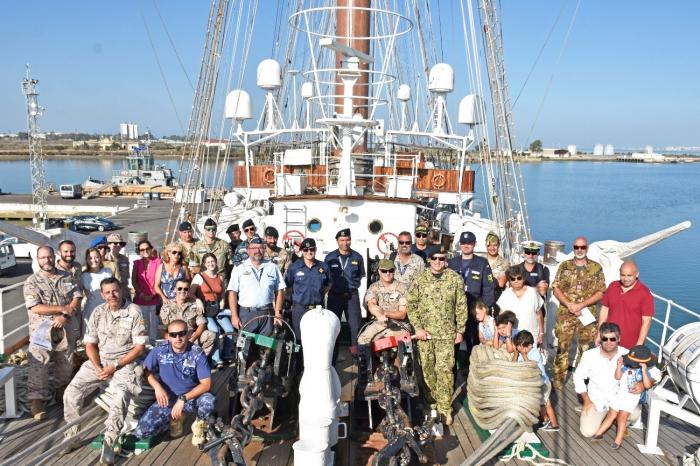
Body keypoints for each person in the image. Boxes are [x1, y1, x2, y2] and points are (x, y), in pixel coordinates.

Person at [62, 277, 147, 463]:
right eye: (107, 292)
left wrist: (114, 367)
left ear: (121, 290)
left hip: (125, 363)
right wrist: (98, 366)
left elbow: (139, 348)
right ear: (102, 295)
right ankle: (72, 434)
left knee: (121, 396)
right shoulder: (98, 312)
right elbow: (90, 344)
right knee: (71, 392)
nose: (112, 295)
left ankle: (110, 441)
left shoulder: (134, 312)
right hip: (100, 361)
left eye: (115, 291)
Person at [407, 246, 467, 427]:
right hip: (425, 335)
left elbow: (461, 306)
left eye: (441, 259)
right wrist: (418, 328)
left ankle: (445, 408)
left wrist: (460, 330)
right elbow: (412, 305)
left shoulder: (454, 279)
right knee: (427, 371)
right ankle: (429, 404)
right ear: (429, 260)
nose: (438, 262)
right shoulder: (419, 279)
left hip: (446, 336)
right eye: (434, 259)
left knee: (445, 372)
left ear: (446, 260)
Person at [133, 319, 215, 448]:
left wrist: (183, 398)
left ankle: (199, 425)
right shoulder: (159, 351)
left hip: (191, 397)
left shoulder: (197, 353)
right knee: (141, 432)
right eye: (173, 335)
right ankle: (174, 420)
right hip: (168, 398)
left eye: (182, 333)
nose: (178, 338)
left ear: (188, 334)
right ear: (167, 336)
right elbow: (146, 371)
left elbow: (206, 384)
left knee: (208, 401)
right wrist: (157, 387)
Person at [23, 245, 82, 420]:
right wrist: (61, 308)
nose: (46, 260)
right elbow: (36, 307)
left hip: (64, 327)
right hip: (42, 330)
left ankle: (60, 390)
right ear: (37, 259)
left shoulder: (66, 276)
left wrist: (65, 314)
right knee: (39, 363)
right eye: (42, 258)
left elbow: (77, 296)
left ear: (53, 256)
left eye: (49, 257)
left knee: (65, 362)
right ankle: (36, 400)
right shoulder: (32, 282)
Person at [551, 236, 606, 390]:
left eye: (582, 247)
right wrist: (569, 304)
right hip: (566, 314)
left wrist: (581, 305)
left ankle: (580, 383)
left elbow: (601, 292)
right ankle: (557, 382)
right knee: (562, 348)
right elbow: (555, 288)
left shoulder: (596, 268)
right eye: (576, 247)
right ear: (573, 248)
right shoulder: (564, 266)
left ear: (587, 248)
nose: (579, 250)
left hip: (587, 315)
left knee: (586, 350)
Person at [574, 322, 644, 438]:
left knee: (635, 414)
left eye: (612, 339)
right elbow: (578, 377)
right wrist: (586, 400)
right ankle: (610, 419)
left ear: (619, 339)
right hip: (597, 401)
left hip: (619, 399)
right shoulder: (589, 355)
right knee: (587, 432)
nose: (608, 342)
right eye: (604, 339)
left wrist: (642, 384)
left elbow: (654, 372)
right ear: (600, 338)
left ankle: (617, 420)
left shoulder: (627, 354)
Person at [592, 345, 656, 449]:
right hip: (619, 394)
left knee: (622, 417)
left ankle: (618, 441)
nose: (631, 365)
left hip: (631, 397)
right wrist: (619, 365)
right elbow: (617, 377)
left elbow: (648, 385)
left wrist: (644, 370)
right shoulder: (626, 367)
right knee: (611, 414)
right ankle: (599, 434)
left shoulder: (642, 371)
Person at [447, 231, 495, 363]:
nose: (466, 245)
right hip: (455, 310)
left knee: (473, 343)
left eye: (469, 243)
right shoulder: (451, 263)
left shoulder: (482, 263)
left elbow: (488, 288)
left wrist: (484, 310)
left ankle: (471, 371)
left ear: (474, 244)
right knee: (453, 344)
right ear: (459, 244)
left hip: (474, 310)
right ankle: (454, 375)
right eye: (463, 243)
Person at [228, 237, 285, 338]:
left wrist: (278, 313)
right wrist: (234, 315)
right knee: (245, 349)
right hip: (247, 314)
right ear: (248, 250)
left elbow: (279, 291)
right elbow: (232, 292)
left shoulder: (273, 267)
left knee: (265, 349)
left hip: (267, 314)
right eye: (254, 248)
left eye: (260, 248)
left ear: (264, 249)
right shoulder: (239, 268)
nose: (257, 251)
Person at [598, 260, 654, 350]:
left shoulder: (645, 294)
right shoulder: (613, 286)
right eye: (623, 275)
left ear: (637, 274)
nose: (626, 279)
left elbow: (646, 322)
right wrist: (599, 333)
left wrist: (638, 346)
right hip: (608, 340)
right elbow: (604, 309)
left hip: (630, 345)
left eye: (629, 275)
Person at [325, 228, 366, 352]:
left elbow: (360, 275)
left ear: (350, 240)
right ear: (337, 241)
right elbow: (326, 277)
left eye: (347, 240)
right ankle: (333, 356)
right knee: (332, 327)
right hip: (334, 297)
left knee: (355, 328)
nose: (345, 243)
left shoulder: (358, 257)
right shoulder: (330, 257)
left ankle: (355, 356)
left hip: (351, 297)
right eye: (342, 240)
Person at [284, 238, 330, 343]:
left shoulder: (323, 267)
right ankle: (300, 360)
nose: (309, 252)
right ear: (301, 251)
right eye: (305, 250)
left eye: (312, 249)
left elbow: (328, 284)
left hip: (318, 309)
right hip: (300, 309)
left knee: (317, 339)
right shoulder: (294, 267)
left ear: (316, 249)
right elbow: (287, 286)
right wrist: (297, 296)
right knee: (299, 340)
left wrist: (319, 294)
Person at [513, 330, 559, 432]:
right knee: (541, 404)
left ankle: (554, 424)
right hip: (536, 384)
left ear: (529, 346)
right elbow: (514, 365)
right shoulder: (521, 353)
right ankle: (545, 420)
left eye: (521, 347)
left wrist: (524, 355)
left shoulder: (535, 353)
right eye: (518, 346)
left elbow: (531, 367)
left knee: (546, 404)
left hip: (543, 384)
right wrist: (516, 354)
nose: (520, 349)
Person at [192, 253, 234, 367]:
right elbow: (190, 293)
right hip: (206, 310)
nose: (211, 264)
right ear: (204, 264)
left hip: (217, 308)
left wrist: (222, 301)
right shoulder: (199, 277)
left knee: (229, 330)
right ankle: (216, 358)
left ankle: (226, 354)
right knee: (215, 330)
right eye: (208, 262)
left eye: (212, 261)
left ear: (216, 262)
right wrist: (197, 300)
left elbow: (222, 292)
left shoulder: (220, 277)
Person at [159, 278, 216, 359]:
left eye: (186, 289)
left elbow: (202, 324)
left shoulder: (194, 305)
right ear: (175, 290)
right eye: (179, 288)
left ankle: (198, 359)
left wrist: (193, 338)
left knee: (211, 335)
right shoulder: (167, 306)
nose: (182, 291)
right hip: (174, 339)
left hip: (190, 337)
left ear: (188, 291)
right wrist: (174, 340)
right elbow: (163, 328)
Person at [357, 258, 410, 344]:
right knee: (362, 341)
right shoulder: (374, 287)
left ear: (394, 271)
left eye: (390, 270)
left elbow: (402, 314)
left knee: (403, 344)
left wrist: (385, 313)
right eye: (384, 271)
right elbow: (371, 304)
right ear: (379, 271)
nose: (388, 273)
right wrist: (379, 315)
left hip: (399, 325)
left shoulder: (402, 288)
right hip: (379, 324)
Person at [496, 265, 544, 347]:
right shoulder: (505, 294)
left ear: (524, 278)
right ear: (509, 280)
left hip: (531, 337)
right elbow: (501, 316)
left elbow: (539, 315)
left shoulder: (532, 292)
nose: (516, 281)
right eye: (512, 279)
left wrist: (541, 333)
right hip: (513, 337)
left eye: (519, 278)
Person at [131, 239, 162, 344]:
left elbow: (160, 280)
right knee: (142, 324)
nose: (145, 251)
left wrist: (153, 294)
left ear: (151, 248)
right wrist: (141, 294)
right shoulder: (137, 263)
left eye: (147, 248)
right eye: (142, 249)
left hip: (154, 299)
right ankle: (143, 345)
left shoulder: (158, 262)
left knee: (153, 325)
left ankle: (153, 345)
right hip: (140, 299)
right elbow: (134, 281)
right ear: (139, 251)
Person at [55, 239, 83, 341]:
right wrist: (64, 316)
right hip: (62, 317)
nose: (69, 254)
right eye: (66, 251)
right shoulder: (54, 271)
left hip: (76, 314)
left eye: (72, 251)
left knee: (74, 343)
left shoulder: (77, 267)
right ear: (59, 252)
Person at [81, 247, 114, 327]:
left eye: (96, 257)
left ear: (100, 258)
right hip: (91, 310)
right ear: (86, 260)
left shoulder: (108, 272)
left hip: (108, 309)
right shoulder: (83, 275)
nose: (94, 260)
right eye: (90, 258)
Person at [483, 232, 509, 301]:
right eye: (489, 245)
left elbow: (501, 283)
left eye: (495, 245)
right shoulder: (480, 260)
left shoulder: (505, 263)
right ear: (486, 246)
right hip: (482, 297)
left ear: (499, 245)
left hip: (497, 297)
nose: (492, 248)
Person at [105, 233, 131, 299]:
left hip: (124, 292)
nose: (119, 245)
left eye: (121, 243)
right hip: (111, 294)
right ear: (109, 245)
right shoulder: (104, 259)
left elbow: (127, 276)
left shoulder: (125, 259)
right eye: (115, 243)